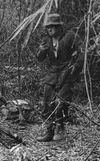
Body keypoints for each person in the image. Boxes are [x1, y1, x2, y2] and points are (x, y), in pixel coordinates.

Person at [36, 13, 83, 142]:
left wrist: (75, 69)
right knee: (47, 102)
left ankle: (60, 127)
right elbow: (40, 58)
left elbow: (83, 52)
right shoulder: (47, 40)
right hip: (52, 74)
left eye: (52, 26)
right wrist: (41, 50)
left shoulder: (70, 36)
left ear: (58, 26)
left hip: (66, 73)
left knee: (61, 103)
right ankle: (49, 131)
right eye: (47, 27)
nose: (49, 29)